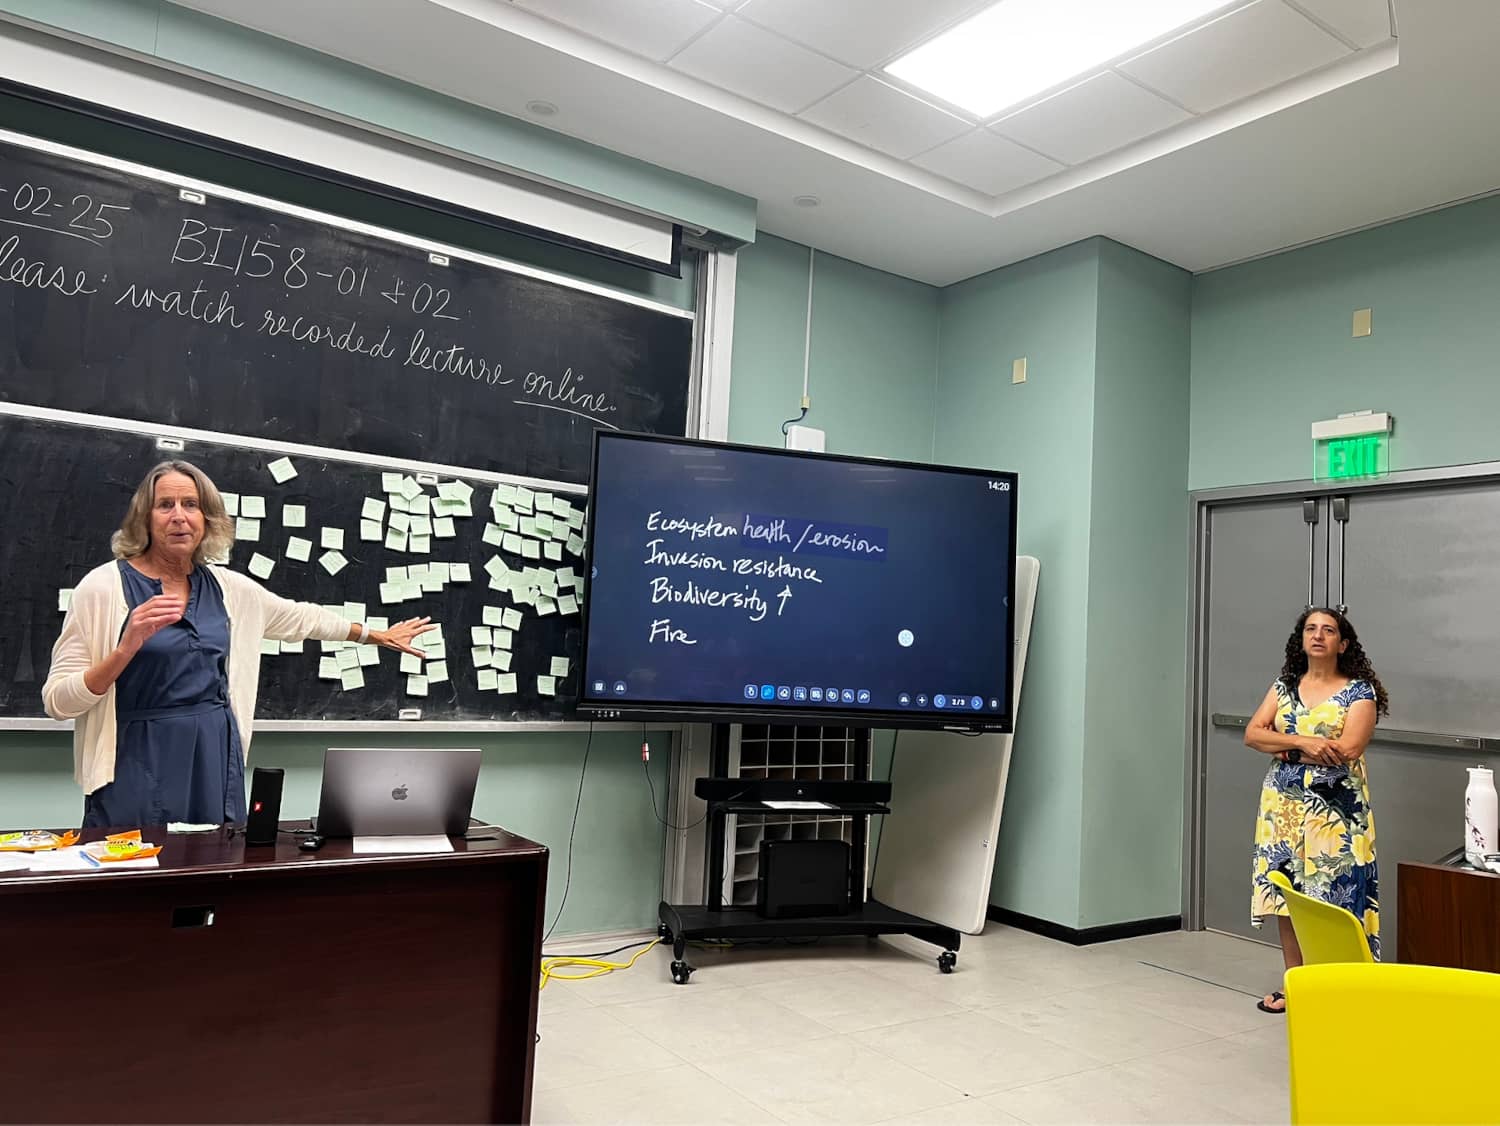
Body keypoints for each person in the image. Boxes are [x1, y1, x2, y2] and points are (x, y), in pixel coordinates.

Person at [43, 460, 433, 828]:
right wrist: (123, 650)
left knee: (215, 870)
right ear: (144, 517)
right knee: (133, 876)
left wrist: (371, 635)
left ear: (206, 519)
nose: (179, 515)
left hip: (214, 756)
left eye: (191, 505)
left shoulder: (230, 589)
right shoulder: (101, 588)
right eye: (165, 505)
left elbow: (302, 617)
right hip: (134, 759)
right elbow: (58, 701)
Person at [1243, 606, 1389, 1013]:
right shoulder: (1284, 686)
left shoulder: (1359, 691)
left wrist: (1283, 743)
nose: (1318, 635)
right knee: (1288, 897)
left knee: (1337, 897)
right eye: (1311, 628)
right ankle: (1298, 985)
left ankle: (1344, 988)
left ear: (1343, 644)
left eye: (1328, 630)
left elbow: (1349, 749)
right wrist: (1306, 743)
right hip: (1283, 808)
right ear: (1301, 639)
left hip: (1338, 812)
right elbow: (1253, 734)